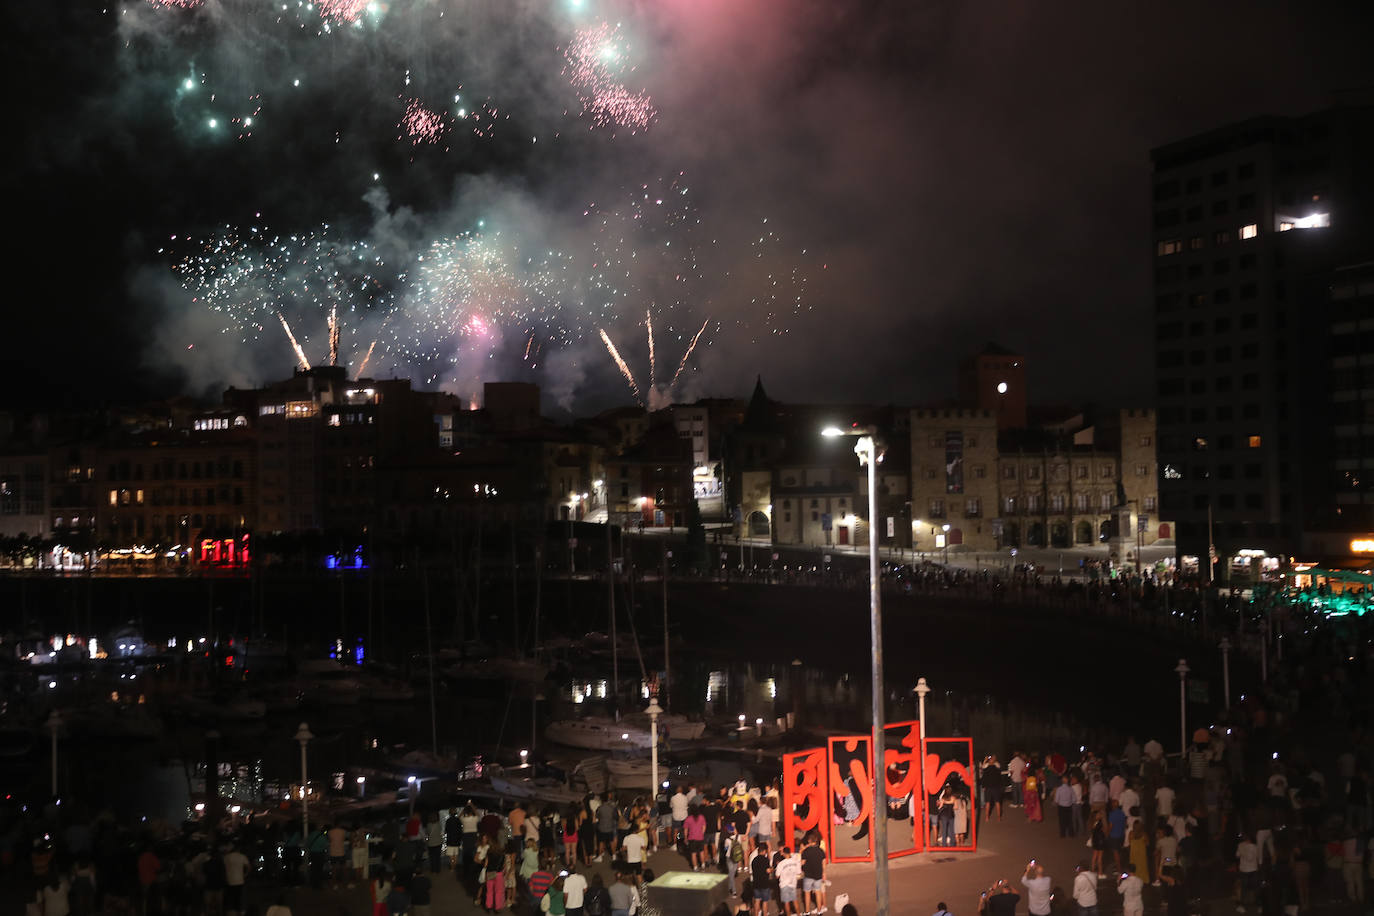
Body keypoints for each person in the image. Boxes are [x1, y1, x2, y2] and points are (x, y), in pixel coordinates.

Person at [800, 831, 826, 916]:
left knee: (807, 893)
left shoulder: (806, 851)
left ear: (809, 841)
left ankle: (807, 911)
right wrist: (824, 873)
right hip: (818, 874)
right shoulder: (821, 851)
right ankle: (819, 911)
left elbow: (802, 863)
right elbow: (824, 864)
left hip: (808, 875)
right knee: (818, 892)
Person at [223, 846, 250, 916]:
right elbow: (248, 867)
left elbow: (222, 867)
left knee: (230, 897)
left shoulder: (226, 857)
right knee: (238, 897)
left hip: (229, 880)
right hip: (240, 880)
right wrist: (245, 874)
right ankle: (238, 911)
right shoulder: (242, 856)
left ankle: (231, 912)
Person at [775, 847, 801, 916]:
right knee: (795, 901)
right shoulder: (795, 861)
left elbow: (777, 875)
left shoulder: (781, 864)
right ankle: (799, 914)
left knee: (786, 903)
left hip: (784, 885)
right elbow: (798, 872)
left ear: (783, 853)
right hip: (793, 884)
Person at [750, 843, 773, 916]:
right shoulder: (765, 860)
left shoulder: (754, 860)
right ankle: (765, 914)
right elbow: (768, 871)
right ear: (764, 851)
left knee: (757, 901)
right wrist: (772, 869)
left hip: (756, 883)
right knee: (765, 902)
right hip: (764, 883)